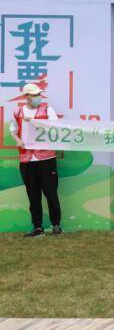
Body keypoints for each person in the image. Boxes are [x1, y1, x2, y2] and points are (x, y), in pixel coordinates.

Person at [12, 84, 62, 237]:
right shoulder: (18, 112)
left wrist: (34, 121)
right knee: (33, 195)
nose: (37, 97)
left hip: (46, 158)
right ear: (26, 96)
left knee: (51, 193)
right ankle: (38, 227)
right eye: (34, 95)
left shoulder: (47, 110)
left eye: (38, 94)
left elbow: (55, 127)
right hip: (27, 160)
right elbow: (13, 130)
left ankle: (56, 225)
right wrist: (18, 140)